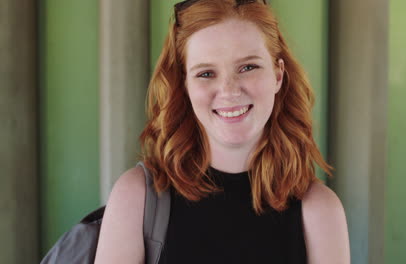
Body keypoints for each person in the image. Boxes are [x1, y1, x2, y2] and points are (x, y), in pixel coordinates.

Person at [94, 0, 350, 263]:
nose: (229, 90)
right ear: (184, 86)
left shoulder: (320, 212)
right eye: (206, 73)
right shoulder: (137, 199)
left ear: (278, 74)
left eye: (248, 67)